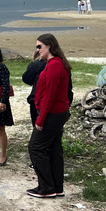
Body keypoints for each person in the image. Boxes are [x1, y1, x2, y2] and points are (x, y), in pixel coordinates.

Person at [27, 33, 72, 199]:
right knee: (53, 148)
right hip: (57, 112)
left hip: (52, 113)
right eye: (36, 47)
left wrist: (40, 119)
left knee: (35, 147)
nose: (38, 50)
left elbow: (50, 95)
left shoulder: (54, 65)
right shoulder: (57, 63)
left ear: (49, 46)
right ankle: (56, 187)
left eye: (40, 46)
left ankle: (46, 188)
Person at [22, 49, 46, 127]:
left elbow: (26, 79)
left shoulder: (35, 65)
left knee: (37, 126)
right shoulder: (59, 64)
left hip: (37, 99)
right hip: (55, 101)